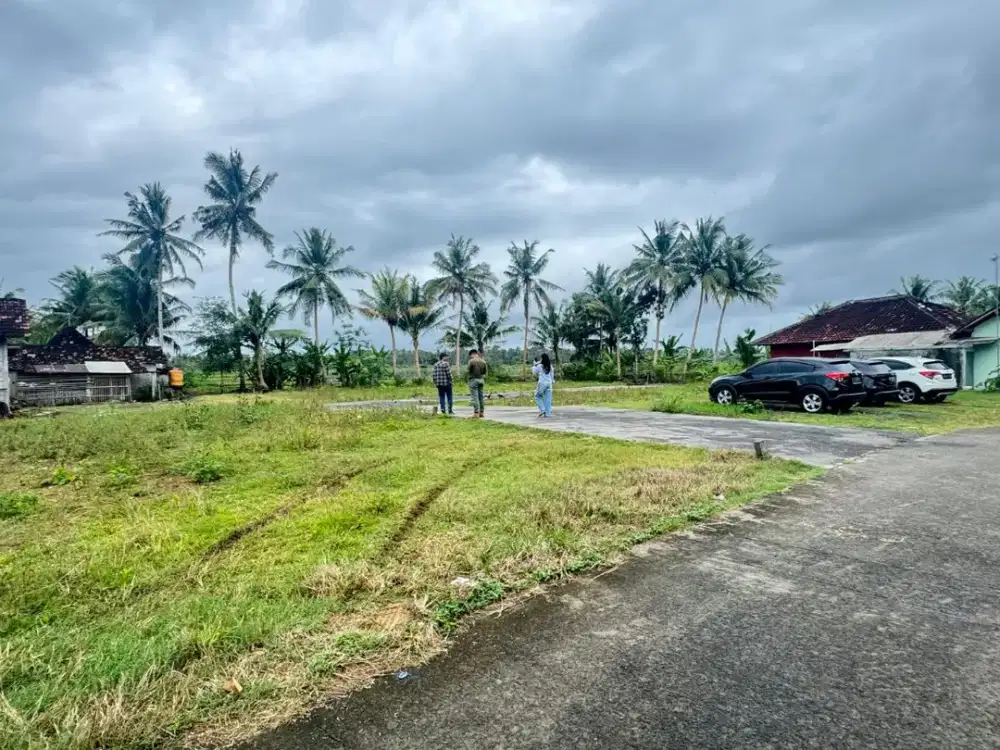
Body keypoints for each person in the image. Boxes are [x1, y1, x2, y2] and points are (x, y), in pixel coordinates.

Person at [467, 349, 488, 418]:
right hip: (481, 380)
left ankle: (476, 413)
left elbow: (468, 370)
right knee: (481, 397)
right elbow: (485, 372)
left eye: (470, 356)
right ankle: (482, 412)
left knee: (475, 397)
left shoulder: (471, 361)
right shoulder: (483, 361)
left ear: (472, 354)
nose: (470, 357)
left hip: (473, 380)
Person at [532, 352, 554, 418]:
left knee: (537, 396)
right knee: (548, 399)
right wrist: (552, 381)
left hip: (542, 383)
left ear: (542, 359)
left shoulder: (540, 366)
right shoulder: (550, 366)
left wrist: (534, 365)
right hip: (549, 383)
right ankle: (548, 414)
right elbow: (552, 375)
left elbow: (534, 372)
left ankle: (542, 409)